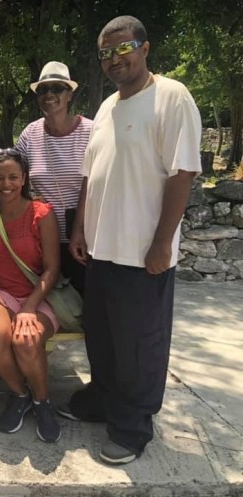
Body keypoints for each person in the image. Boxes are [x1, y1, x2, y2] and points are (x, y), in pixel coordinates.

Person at [59, 16, 201, 465]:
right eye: (106, 53)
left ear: (144, 48)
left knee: (140, 345)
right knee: (102, 337)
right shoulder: (107, 107)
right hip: (101, 249)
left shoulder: (171, 97)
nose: (114, 59)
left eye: (123, 48)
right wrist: (80, 230)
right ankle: (103, 400)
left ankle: (133, 426)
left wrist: (162, 244)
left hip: (142, 254)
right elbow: (90, 175)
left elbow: (183, 173)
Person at [0, 148, 62, 443]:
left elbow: (52, 269)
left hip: (40, 295)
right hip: (3, 293)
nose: (6, 184)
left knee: (26, 339)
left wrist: (29, 308)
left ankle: (42, 400)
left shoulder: (41, 213)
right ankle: (20, 393)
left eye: (13, 177)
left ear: (24, 179)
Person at [15, 61, 92, 294]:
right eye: (43, 90)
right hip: (44, 239)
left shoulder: (92, 131)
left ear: (69, 94)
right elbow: (15, 179)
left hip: (87, 237)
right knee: (54, 304)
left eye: (57, 88)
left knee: (87, 301)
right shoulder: (30, 134)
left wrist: (79, 229)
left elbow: (97, 184)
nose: (49, 94)